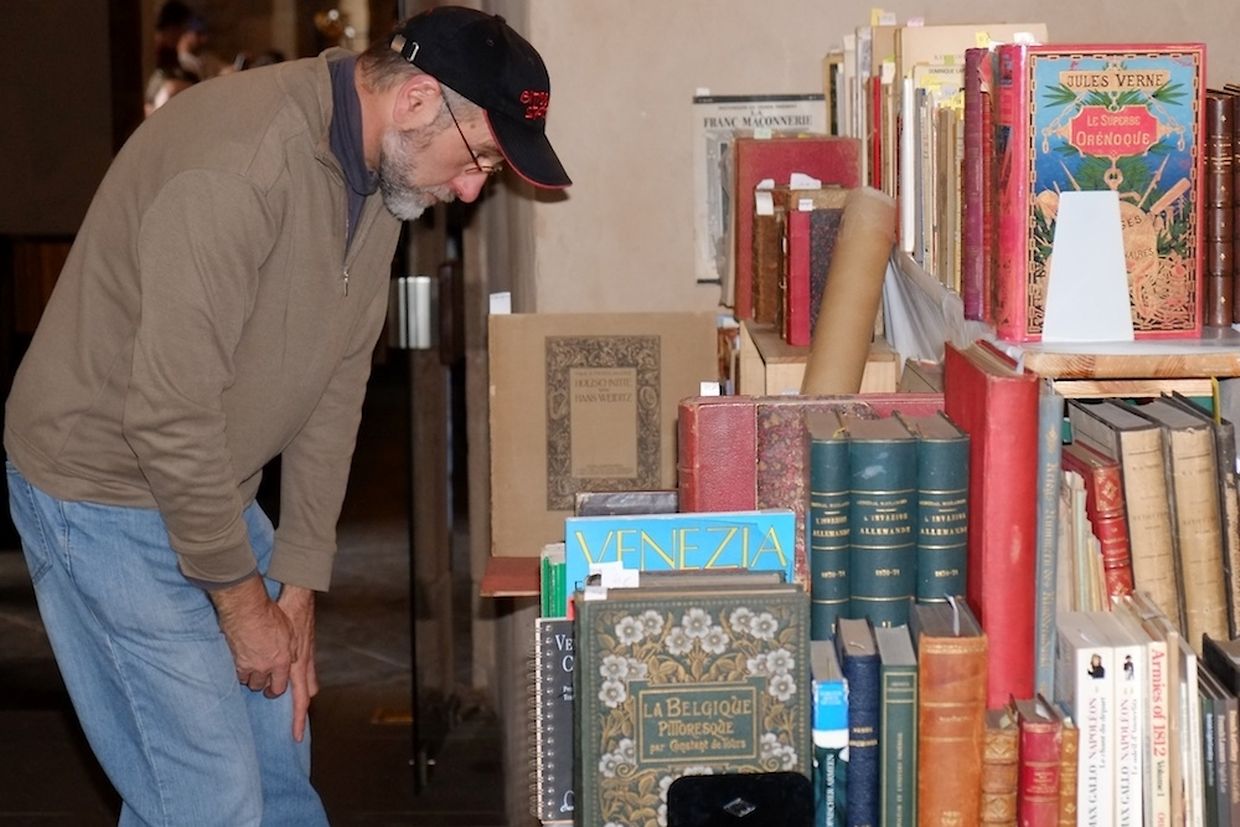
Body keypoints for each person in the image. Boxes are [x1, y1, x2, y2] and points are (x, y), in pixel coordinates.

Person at [5, 7, 569, 825]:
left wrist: (297, 580)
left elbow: (336, 383)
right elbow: (169, 416)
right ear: (416, 100)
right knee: (209, 794)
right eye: (479, 155)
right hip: (100, 494)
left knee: (279, 764)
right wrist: (244, 605)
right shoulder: (238, 167)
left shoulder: (377, 179)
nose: (472, 187)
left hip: (211, 484)